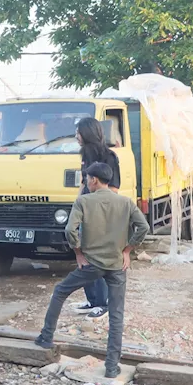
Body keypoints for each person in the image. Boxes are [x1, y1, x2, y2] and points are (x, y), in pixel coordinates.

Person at [35, 162, 147, 377]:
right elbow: (143, 227)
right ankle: (112, 368)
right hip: (117, 265)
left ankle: (46, 337)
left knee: (60, 292)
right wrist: (127, 250)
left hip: (91, 265)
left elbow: (70, 229)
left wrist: (78, 253)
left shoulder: (83, 201)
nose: (86, 182)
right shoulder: (125, 202)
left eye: (86, 178)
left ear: (94, 180)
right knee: (116, 314)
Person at [73, 116, 121, 318]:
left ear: (88, 133)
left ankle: (103, 303)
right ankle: (92, 299)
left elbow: (114, 189)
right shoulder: (85, 155)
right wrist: (77, 206)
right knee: (84, 257)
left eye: (79, 132)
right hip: (85, 213)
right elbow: (83, 185)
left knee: (97, 258)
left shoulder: (109, 156)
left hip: (101, 216)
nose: (76, 136)